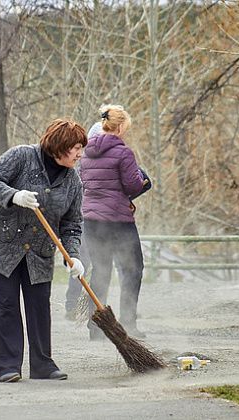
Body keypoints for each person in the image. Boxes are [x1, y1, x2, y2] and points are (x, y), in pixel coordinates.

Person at [0, 118, 87, 383]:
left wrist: (73, 255)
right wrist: (13, 195)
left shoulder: (73, 182)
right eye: (76, 147)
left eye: (82, 147)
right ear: (60, 147)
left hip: (39, 251)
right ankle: (7, 366)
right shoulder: (22, 156)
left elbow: (72, 224)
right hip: (2, 245)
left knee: (39, 306)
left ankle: (42, 365)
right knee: (5, 305)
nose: (80, 153)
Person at [79, 104, 148, 340]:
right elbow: (132, 185)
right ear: (119, 127)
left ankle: (97, 328)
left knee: (100, 271)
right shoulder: (123, 153)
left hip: (92, 221)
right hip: (119, 221)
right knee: (132, 269)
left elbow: (85, 182)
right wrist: (143, 180)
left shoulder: (86, 152)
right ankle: (128, 324)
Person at [63, 121, 103, 321]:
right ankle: (72, 305)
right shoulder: (83, 165)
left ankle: (94, 308)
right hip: (83, 221)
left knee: (99, 264)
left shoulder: (110, 163)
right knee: (81, 263)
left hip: (100, 221)